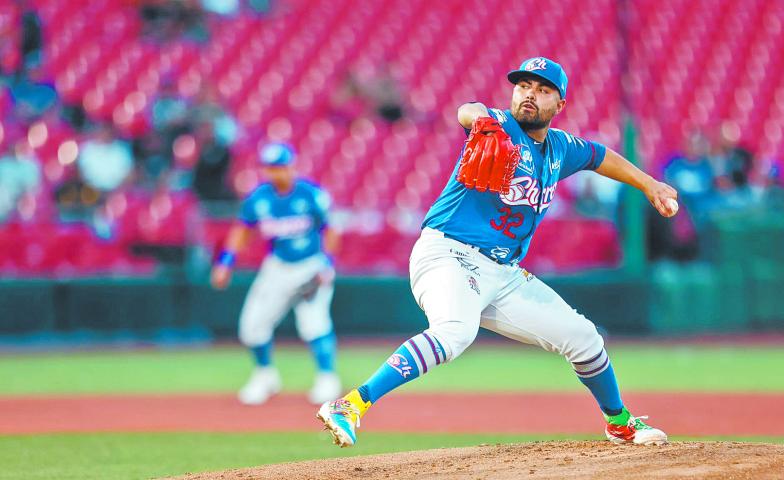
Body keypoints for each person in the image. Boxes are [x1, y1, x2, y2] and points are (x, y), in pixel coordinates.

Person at [317, 57, 678, 447]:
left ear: (560, 106)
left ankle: (619, 421)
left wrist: (649, 184)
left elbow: (600, 156)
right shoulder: (500, 125)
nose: (529, 95)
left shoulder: (560, 148)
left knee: (585, 338)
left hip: (502, 272)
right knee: (455, 332)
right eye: (523, 86)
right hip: (448, 253)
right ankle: (352, 404)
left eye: (542, 90)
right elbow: (467, 111)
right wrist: (481, 122)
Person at [211, 143, 342, 405]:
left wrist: (327, 264)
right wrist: (226, 261)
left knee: (314, 324)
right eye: (271, 168)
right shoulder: (259, 199)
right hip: (277, 267)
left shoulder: (310, 194)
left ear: (291, 166)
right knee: (251, 326)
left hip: (310, 266)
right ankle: (265, 375)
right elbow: (242, 229)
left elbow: (331, 230)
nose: (276, 173)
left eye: (280, 166)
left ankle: (327, 378)